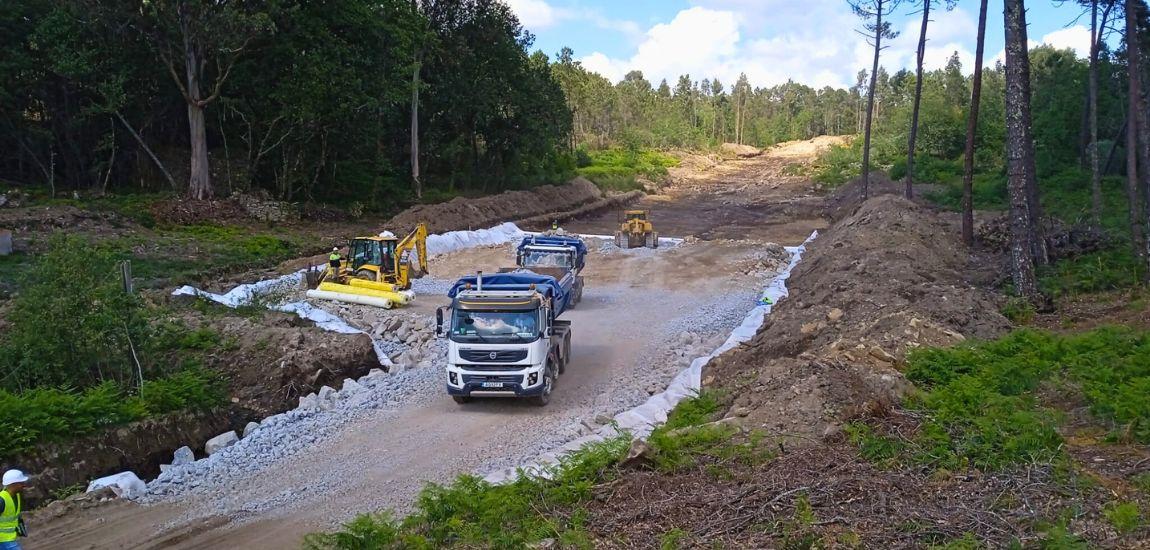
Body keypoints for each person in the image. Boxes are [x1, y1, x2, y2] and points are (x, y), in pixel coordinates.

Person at [0, 469, 28, 550]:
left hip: (9, 539)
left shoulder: (17, 496)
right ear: (13, 484)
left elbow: (14, 516)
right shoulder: (2, 500)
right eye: (21, 483)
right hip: (4, 540)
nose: (24, 485)